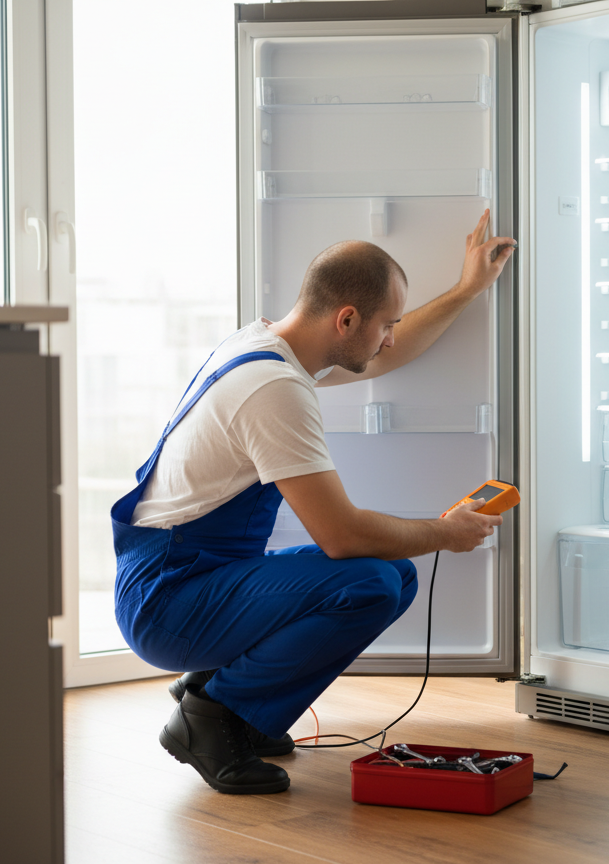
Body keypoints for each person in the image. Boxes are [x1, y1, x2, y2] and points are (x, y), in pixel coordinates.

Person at [110, 211, 516, 795]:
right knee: (370, 582)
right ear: (345, 319)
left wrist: (466, 290)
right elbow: (342, 537)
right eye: (386, 324)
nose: (391, 337)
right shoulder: (274, 389)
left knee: (395, 576)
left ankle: (227, 696)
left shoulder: (266, 345)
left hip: (187, 577)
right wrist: (444, 532)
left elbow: (382, 356)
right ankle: (211, 719)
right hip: (168, 601)